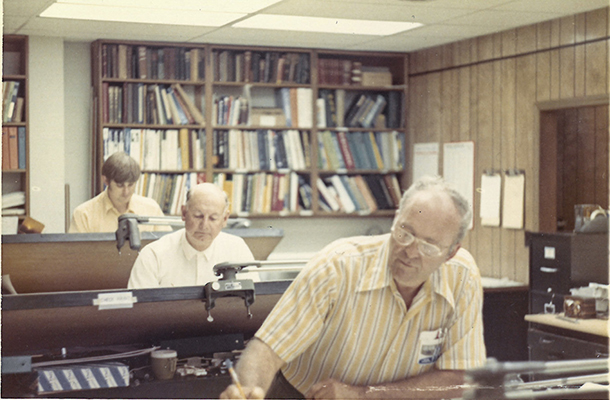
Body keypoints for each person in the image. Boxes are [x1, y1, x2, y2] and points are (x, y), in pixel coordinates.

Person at [220, 175, 486, 400]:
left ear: (451, 253)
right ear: (395, 220)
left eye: (429, 245)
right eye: (405, 232)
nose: (410, 252)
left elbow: (463, 376)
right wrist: (247, 390)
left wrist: (362, 394)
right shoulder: (339, 265)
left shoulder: (462, 276)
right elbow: (268, 347)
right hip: (304, 394)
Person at [128, 182, 256, 288]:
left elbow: (255, 302)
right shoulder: (153, 255)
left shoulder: (238, 250)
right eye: (198, 216)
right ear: (184, 213)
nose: (204, 225)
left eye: (213, 218)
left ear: (224, 219)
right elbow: (138, 312)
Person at [68, 152, 169, 233]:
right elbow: (76, 256)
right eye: (120, 185)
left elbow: (167, 248)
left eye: (131, 185)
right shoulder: (84, 214)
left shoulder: (151, 208)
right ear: (106, 180)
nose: (126, 192)